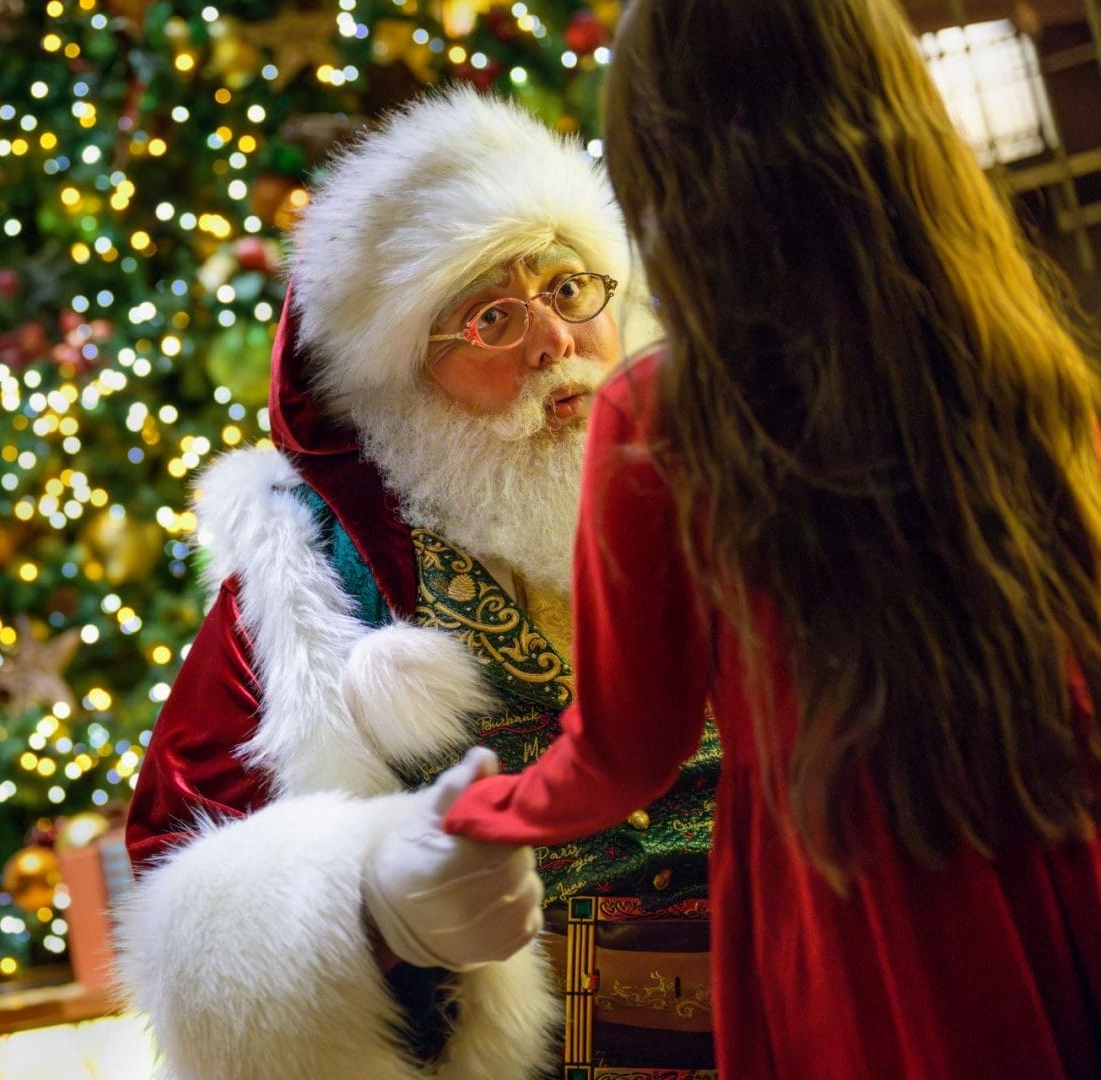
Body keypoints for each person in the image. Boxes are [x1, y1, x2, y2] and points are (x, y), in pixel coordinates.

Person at [442, 1, 1101, 1076]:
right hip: (1062, 828)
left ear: (672, 164)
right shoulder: (1009, 347)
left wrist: (476, 810)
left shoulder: (667, 417)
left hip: (865, 899)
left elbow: (625, 756)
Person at [118, 87, 718, 1078]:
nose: (553, 344)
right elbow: (182, 884)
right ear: (400, 384)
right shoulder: (315, 585)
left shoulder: (737, 492)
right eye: (490, 317)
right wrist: (365, 898)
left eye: (569, 291)